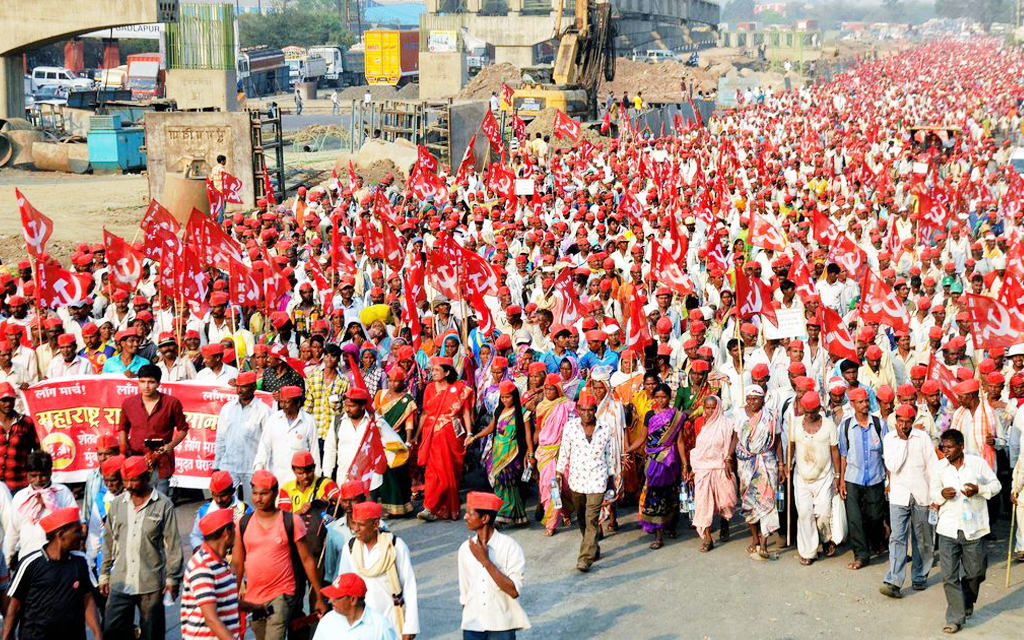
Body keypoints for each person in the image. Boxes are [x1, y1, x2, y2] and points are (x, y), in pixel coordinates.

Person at [235, 469, 327, 640]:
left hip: (282, 593)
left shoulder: (291, 521)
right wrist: (232, 595)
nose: (258, 498)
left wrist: (318, 596)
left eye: (264, 493)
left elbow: (307, 560)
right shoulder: (243, 523)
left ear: (275, 493)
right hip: (254, 598)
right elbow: (238, 563)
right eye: (255, 493)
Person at [100, 456, 184, 640]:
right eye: (125, 480)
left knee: (152, 633)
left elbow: (173, 546)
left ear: (146, 477)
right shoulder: (117, 504)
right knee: (112, 630)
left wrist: (172, 580)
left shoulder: (163, 505)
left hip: (150, 584)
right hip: (120, 581)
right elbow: (109, 541)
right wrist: (104, 574)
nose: (129, 485)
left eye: (134, 480)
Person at [931, 429, 1001, 634]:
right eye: (943, 447)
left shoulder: (977, 463)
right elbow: (932, 492)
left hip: (975, 528)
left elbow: (996, 485)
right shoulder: (940, 467)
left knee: (976, 572)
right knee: (949, 576)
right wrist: (941, 494)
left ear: (961, 446)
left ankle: (966, 602)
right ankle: (955, 618)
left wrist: (978, 489)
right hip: (948, 528)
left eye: (950, 447)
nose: (946, 451)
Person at [1, 507, 101, 640]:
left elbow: (87, 600)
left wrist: (98, 633)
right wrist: (7, 636)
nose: (82, 535)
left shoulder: (80, 562)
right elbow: (14, 606)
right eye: (76, 531)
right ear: (60, 535)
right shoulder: (30, 564)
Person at [880, 403, 938, 598]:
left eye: (907, 422)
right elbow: (893, 465)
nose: (903, 426)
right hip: (899, 495)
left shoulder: (922, 438)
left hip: (922, 494)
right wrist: (903, 441)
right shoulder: (889, 439)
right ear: (895, 420)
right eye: (900, 421)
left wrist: (934, 495)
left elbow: (932, 466)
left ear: (913, 422)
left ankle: (920, 577)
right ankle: (894, 581)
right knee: (897, 537)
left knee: (923, 538)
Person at [339, 501, 419, 639]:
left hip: (392, 621)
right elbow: (343, 586)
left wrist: (410, 626)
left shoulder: (395, 546)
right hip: (361, 624)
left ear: (375, 525)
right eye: (354, 523)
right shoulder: (350, 548)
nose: (355, 529)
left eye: (361, 525)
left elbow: (409, 587)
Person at [458, 491, 531, 639]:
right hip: (473, 625)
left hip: (502, 625)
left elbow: (514, 591)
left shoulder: (509, 547)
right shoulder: (465, 549)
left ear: (484, 518)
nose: (465, 517)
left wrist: (486, 561)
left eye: (470, 514)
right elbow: (465, 592)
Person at [556, 392, 614, 571]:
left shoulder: (605, 429)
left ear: (595, 410)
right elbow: (564, 451)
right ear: (578, 410)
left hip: (598, 480)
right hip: (577, 480)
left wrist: (612, 479)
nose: (587, 414)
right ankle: (592, 546)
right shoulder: (570, 428)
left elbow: (610, 456)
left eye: (590, 410)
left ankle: (585, 558)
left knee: (591, 518)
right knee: (581, 517)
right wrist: (558, 473)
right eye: (583, 410)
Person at [838, 386, 889, 570]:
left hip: (875, 478)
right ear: (852, 404)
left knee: (875, 516)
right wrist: (841, 480)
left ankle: (877, 541)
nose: (865, 405)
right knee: (855, 518)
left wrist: (888, 481)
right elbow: (843, 455)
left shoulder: (879, 424)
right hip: (853, 478)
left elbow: (887, 454)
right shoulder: (845, 426)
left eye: (866, 401)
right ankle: (861, 555)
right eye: (860, 402)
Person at [118, 364, 189, 495]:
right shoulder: (129, 403)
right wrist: (123, 447)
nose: (146, 386)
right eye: (142, 382)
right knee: (136, 496)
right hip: (136, 458)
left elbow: (183, 429)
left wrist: (170, 446)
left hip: (161, 459)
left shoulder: (172, 403)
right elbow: (122, 428)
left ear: (158, 383)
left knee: (161, 499)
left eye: (151, 382)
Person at [417, 357, 473, 521]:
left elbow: (466, 413)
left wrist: (469, 433)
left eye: (436, 370)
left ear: (447, 372)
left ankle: (447, 508)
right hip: (432, 434)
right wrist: (416, 436)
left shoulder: (459, 389)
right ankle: (430, 507)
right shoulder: (429, 389)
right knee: (432, 472)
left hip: (451, 436)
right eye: (432, 370)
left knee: (450, 472)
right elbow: (425, 414)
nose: (433, 373)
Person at [732, 385, 783, 560]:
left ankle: (764, 542)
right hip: (745, 464)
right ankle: (754, 538)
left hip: (767, 462)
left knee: (767, 500)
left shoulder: (772, 416)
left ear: (763, 399)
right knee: (748, 502)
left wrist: (782, 464)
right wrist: (727, 458)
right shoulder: (739, 415)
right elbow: (735, 437)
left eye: (756, 399)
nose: (752, 402)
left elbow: (777, 441)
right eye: (750, 399)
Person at [632, 382, 685, 549]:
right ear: (653, 398)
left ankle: (671, 526)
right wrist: (628, 448)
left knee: (671, 493)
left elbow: (680, 441)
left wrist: (685, 465)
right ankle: (658, 535)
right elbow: (642, 438)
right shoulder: (649, 415)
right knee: (655, 495)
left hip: (670, 460)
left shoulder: (676, 416)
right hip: (653, 460)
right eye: (658, 397)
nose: (661, 400)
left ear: (669, 398)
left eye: (664, 397)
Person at [790, 392, 840, 565]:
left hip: (824, 477)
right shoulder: (795, 424)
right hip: (802, 477)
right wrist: (786, 466)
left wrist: (837, 475)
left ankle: (825, 539)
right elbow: (791, 446)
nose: (809, 415)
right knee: (804, 514)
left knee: (823, 513)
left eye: (813, 411)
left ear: (819, 408)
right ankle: (808, 551)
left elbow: (835, 451)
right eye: (806, 411)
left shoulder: (828, 425)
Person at [471, 380, 530, 527]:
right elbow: (491, 428)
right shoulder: (499, 411)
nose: (505, 400)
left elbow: (528, 435)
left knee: (507, 481)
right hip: (498, 451)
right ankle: (519, 516)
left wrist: (530, 454)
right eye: (502, 397)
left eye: (508, 397)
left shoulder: (523, 413)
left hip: (514, 452)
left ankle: (503, 514)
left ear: (514, 396)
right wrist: (476, 436)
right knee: (499, 481)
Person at [4, 450, 77, 567]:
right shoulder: (20, 497)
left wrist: (50, 504)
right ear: (27, 475)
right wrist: (8, 560)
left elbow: (73, 528)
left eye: (43, 475)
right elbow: (12, 532)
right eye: (33, 476)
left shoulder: (62, 493)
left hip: (57, 561)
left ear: (50, 473)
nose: (38, 480)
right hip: (28, 560)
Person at [181, 509, 241, 640]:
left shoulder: (220, 562)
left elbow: (224, 600)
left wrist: (255, 606)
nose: (236, 533)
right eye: (234, 529)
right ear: (227, 532)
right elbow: (211, 619)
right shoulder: (203, 567)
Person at [688, 395, 738, 552]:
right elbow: (696, 448)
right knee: (702, 504)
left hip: (721, 466)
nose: (710, 411)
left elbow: (735, 438)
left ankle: (725, 524)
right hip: (703, 468)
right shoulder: (699, 423)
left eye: (713, 408)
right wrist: (692, 469)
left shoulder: (727, 424)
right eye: (707, 408)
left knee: (727, 501)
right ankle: (708, 538)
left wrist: (729, 458)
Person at [214, 371, 270, 503]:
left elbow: (268, 443)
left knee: (253, 506)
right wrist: (217, 465)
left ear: (254, 387)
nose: (240, 390)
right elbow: (221, 438)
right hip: (229, 466)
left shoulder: (264, 410)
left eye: (244, 387)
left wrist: (263, 468)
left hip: (252, 468)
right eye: (238, 386)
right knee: (225, 505)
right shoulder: (227, 408)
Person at [254, 385, 320, 485]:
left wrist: (317, 478)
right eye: (281, 402)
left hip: (300, 480)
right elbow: (264, 447)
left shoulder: (309, 421)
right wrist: (258, 469)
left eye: (287, 402)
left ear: (297, 403)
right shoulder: (273, 419)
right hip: (276, 478)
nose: (283, 405)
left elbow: (314, 451)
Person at [533, 373, 574, 535]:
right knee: (549, 486)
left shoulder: (568, 406)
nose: (548, 392)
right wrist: (530, 453)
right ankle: (551, 523)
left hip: (564, 450)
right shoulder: (541, 407)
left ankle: (565, 512)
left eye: (552, 389)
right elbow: (538, 430)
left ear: (558, 390)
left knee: (566, 486)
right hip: (545, 452)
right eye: (546, 389)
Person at [373, 366, 416, 516]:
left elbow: (409, 423)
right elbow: (375, 415)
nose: (392, 384)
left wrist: (409, 441)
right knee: (385, 473)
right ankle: (387, 505)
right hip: (382, 438)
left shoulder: (407, 400)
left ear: (402, 382)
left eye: (395, 381)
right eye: (390, 380)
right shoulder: (380, 395)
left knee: (399, 472)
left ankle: (402, 505)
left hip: (398, 439)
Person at [314, 573, 397, 640]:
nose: (331, 601)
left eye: (336, 597)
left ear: (353, 600)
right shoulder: (327, 621)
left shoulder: (381, 627)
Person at [188, 471, 250, 552]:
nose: (219, 500)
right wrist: (199, 548)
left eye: (223, 495)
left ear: (232, 491)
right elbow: (196, 536)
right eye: (215, 495)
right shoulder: (204, 511)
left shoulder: (245, 511)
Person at [0, 381, 39, 493]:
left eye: (11, 400)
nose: (8, 404)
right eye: (4, 400)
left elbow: (37, 450)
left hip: (19, 484)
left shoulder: (25, 422)